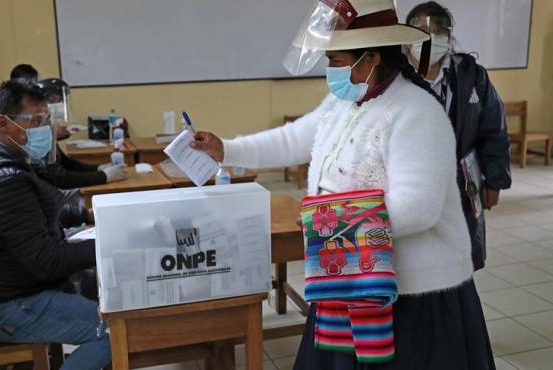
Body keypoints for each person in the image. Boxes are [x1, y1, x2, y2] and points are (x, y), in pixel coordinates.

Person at [191, 0, 494, 369]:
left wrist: (327, 226)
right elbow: (292, 139)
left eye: (336, 60)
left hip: (413, 296)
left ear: (371, 60)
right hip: (350, 276)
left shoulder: (416, 112)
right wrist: (227, 149)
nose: (329, 70)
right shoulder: (343, 102)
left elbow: (419, 207)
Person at [0, 79, 111, 370]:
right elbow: (46, 261)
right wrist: (107, 243)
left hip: (23, 287)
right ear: (3, 123)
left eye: (46, 119)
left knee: (113, 293)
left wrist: (82, 216)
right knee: (113, 330)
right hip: (9, 306)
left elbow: (31, 217)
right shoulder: (2, 181)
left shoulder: (10, 158)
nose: (44, 128)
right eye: (35, 120)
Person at [405, 1, 511, 271]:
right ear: (406, 40)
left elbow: (494, 132)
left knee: (458, 261)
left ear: (448, 38)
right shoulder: (394, 79)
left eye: (437, 32)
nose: (429, 40)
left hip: (462, 184)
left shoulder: (472, 76)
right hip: (410, 185)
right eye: (420, 33)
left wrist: (495, 182)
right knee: (415, 263)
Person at [34, 77, 128, 189]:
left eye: (60, 100)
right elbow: (60, 178)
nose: (60, 104)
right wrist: (104, 176)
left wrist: (99, 168)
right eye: (54, 100)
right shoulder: (38, 135)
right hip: (54, 193)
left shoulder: (47, 129)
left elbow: (67, 164)